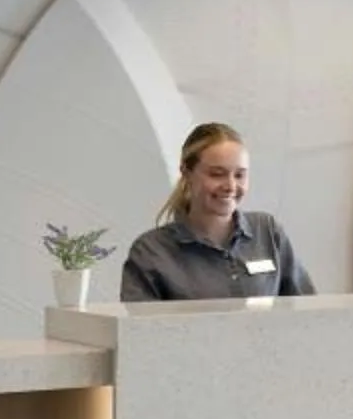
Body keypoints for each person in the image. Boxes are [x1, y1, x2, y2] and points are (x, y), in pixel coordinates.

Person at [120, 122, 314, 302]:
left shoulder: (268, 232)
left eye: (239, 175)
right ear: (186, 173)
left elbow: (306, 310)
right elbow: (137, 334)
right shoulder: (151, 251)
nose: (230, 186)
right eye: (217, 174)